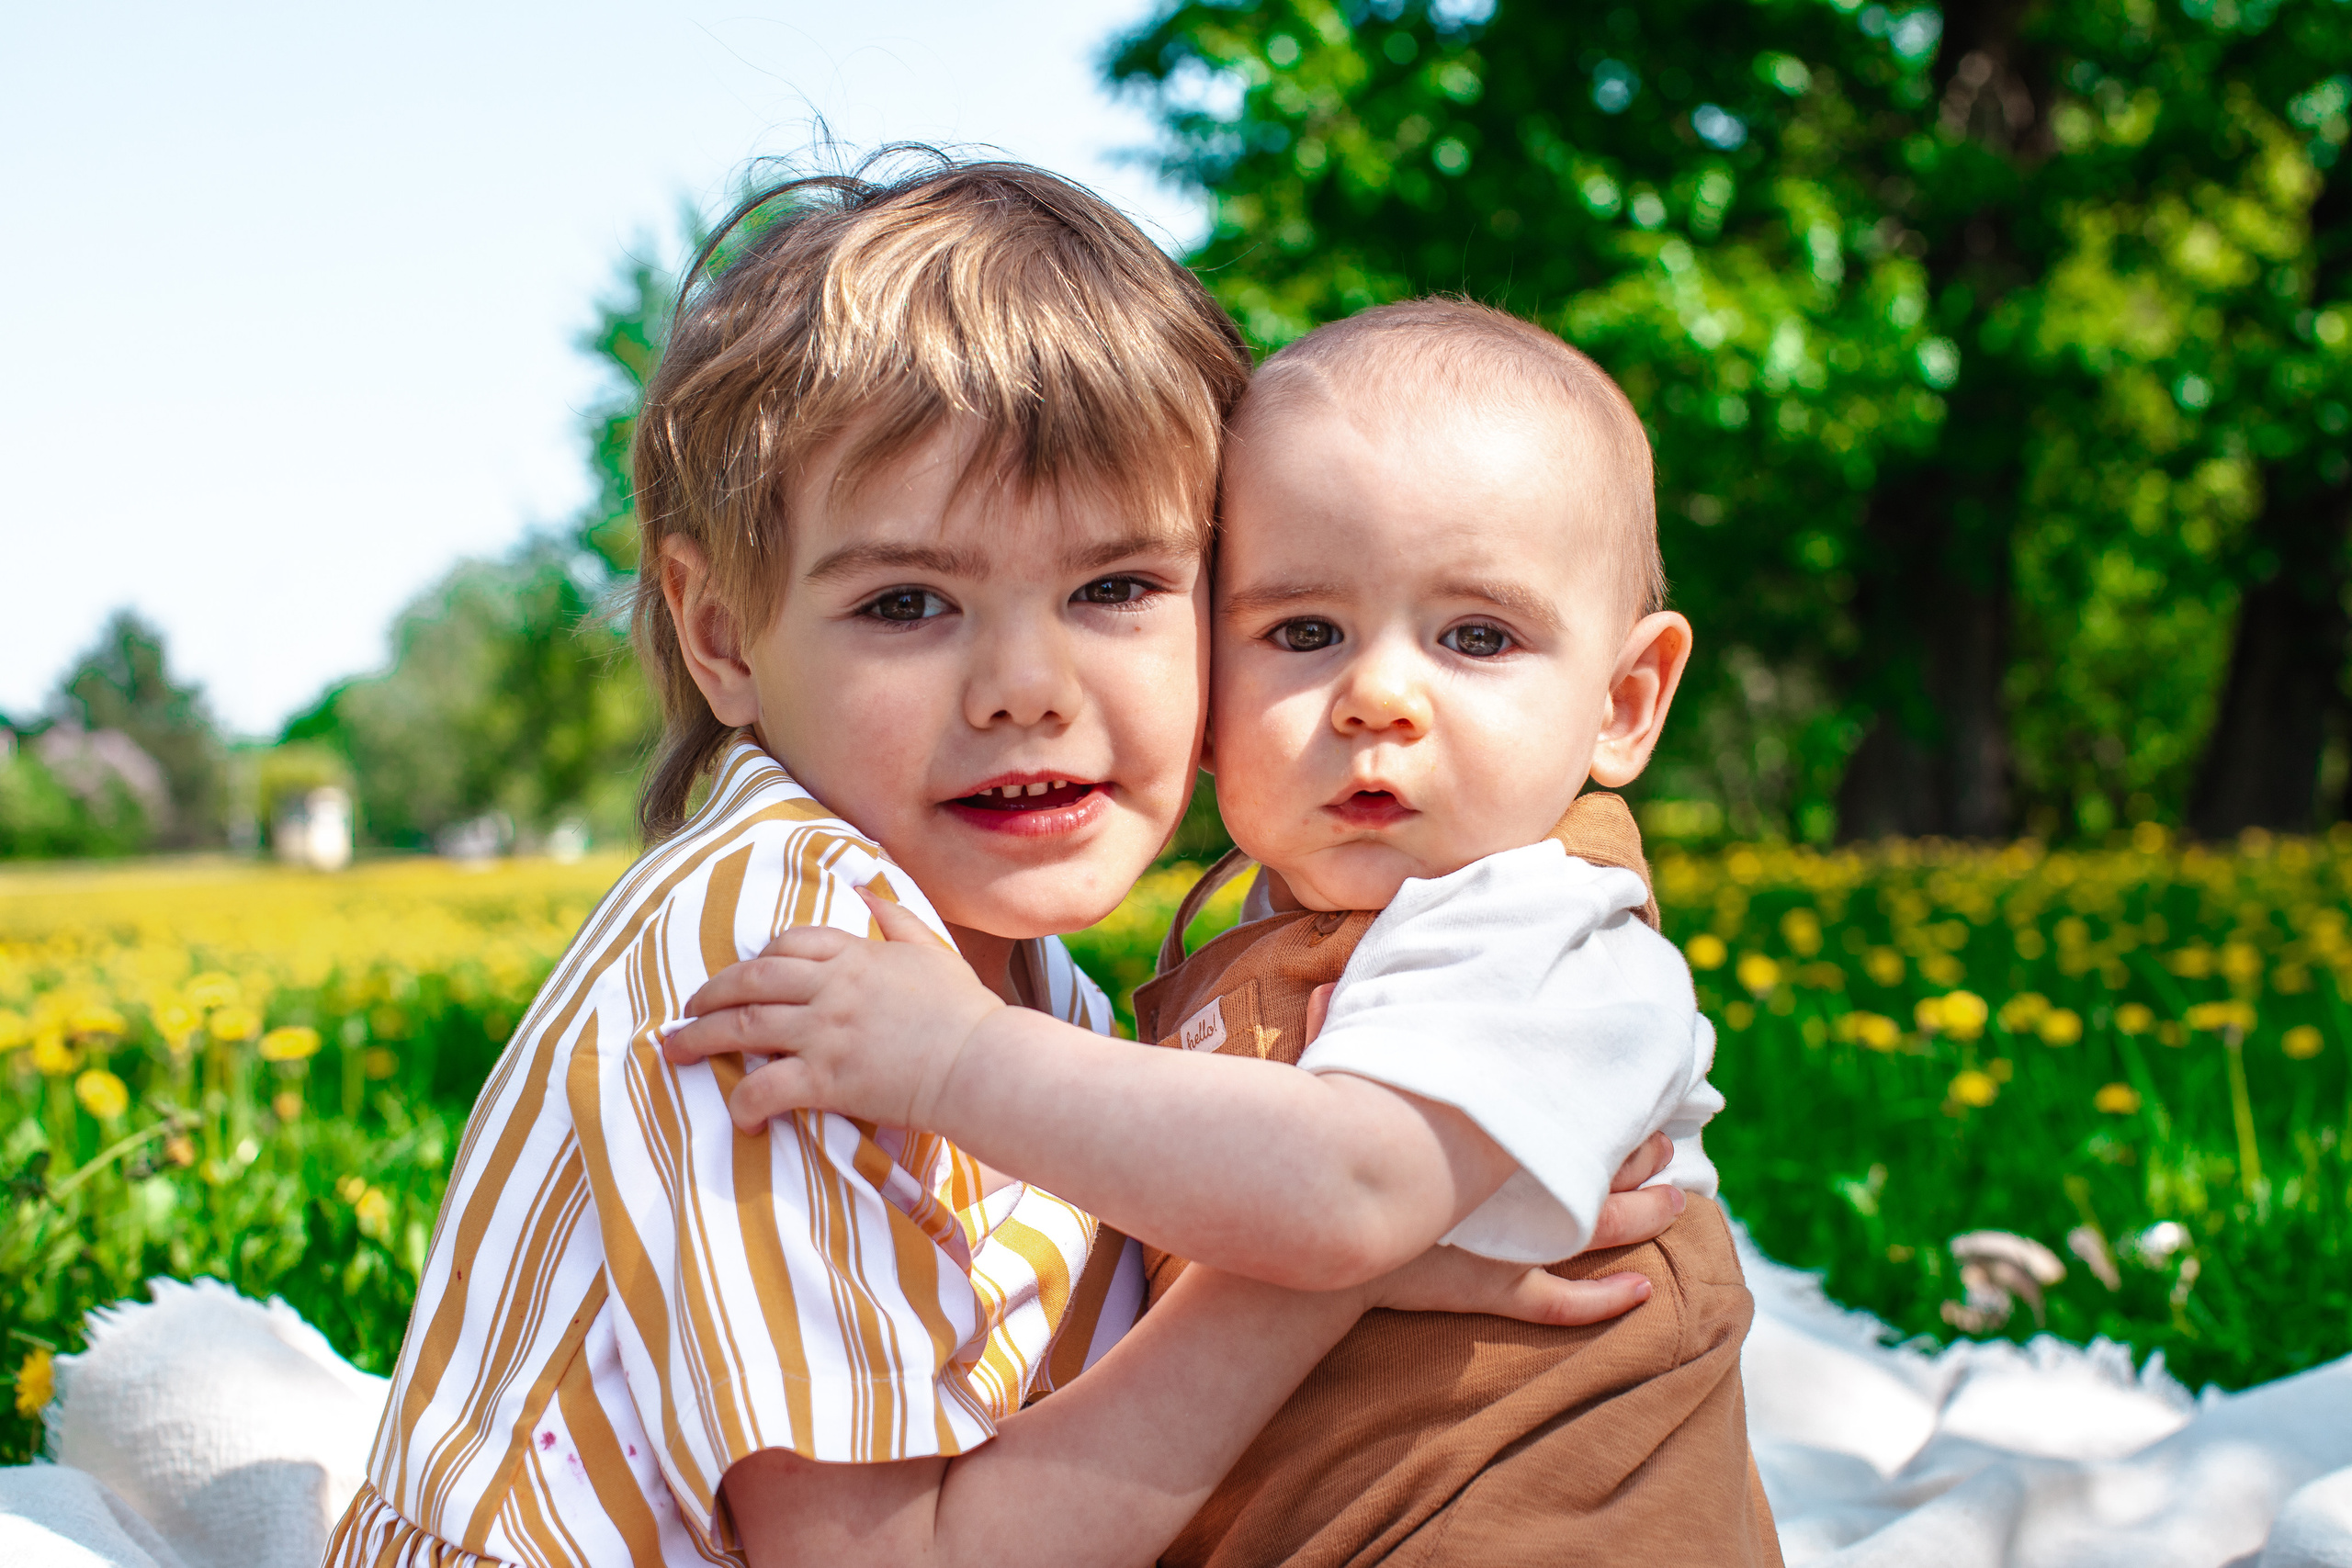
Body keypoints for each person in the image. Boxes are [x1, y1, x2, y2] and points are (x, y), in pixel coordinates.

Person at [327, 162, 1677, 1568]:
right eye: (907, 603)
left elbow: (1108, 1382)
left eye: (1114, 589)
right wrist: (1325, 1268)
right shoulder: (787, 968)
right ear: (722, 634)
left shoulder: (1019, 993)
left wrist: (1372, 1255)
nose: (1026, 687)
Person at [665, 298, 1781, 1564]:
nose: (1379, 697)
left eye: (1477, 636)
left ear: (1624, 704)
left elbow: (1344, 1189)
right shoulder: (1263, 924)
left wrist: (956, 1062)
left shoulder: (1545, 934)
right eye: (1303, 633)